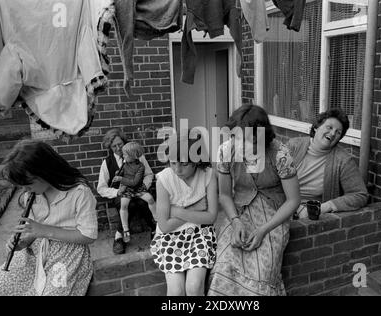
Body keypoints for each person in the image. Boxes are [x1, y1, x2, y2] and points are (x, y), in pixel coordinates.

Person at [207, 104, 301, 296]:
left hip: (274, 216)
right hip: (238, 211)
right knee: (223, 265)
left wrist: (263, 230)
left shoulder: (280, 154)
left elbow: (293, 200)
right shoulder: (226, 151)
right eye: (238, 137)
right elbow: (224, 195)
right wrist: (235, 222)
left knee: (263, 271)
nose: (243, 145)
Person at [0, 140, 97, 296]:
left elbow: (88, 235)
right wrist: (23, 242)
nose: (25, 189)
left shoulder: (79, 193)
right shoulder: (31, 196)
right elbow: (33, 232)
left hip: (67, 256)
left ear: (45, 172)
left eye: (28, 183)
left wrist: (44, 230)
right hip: (35, 253)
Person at [150, 134, 218, 296]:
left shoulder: (208, 175)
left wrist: (177, 211)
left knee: (194, 288)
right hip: (170, 239)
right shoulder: (164, 179)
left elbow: (210, 217)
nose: (177, 169)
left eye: (184, 164)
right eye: (173, 163)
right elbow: (164, 226)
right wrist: (195, 208)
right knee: (176, 292)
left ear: (197, 161)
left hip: (199, 235)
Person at [288, 108, 369, 219]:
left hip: (308, 216)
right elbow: (273, 178)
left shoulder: (343, 160)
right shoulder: (293, 146)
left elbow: (360, 195)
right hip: (282, 205)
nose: (332, 133)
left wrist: (324, 207)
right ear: (316, 127)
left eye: (338, 132)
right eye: (329, 127)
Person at [97, 128, 156, 255]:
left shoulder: (137, 156)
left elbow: (149, 174)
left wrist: (144, 186)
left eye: (120, 144)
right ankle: (119, 236)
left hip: (139, 189)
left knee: (143, 201)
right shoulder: (107, 163)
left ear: (124, 142)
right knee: (131, 204)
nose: (118, 148)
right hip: (122, 193)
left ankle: (155, 230)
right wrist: (117, 192)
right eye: (114, 146)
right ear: (110, 147)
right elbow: (101, 188)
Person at [113, 141, 156, 243]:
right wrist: (118, 173)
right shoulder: (125, 164)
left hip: (137, 187)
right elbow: (123, 173)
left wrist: (120, 179)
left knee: (150, 198)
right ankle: (125, 229)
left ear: (133, 156)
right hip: (127, 188)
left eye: (125, 154)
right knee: (124, 205)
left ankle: (156, 219)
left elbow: (134, 182)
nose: (123, 156)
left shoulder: (140, 166)